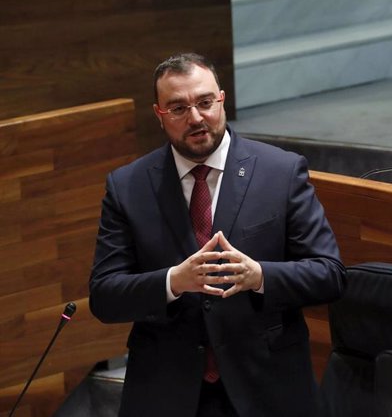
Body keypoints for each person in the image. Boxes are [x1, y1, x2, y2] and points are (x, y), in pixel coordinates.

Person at [89, 53, 346, 417]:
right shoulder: (127, 186)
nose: (195, 118)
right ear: (159, 115)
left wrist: (259, 276)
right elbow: (105, 296)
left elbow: (330, 275)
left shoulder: (281, 171)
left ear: (222, 99)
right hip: (168, 392)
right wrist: (173, 281)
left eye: (205, 102)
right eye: (178, 108)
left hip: (266, 388)